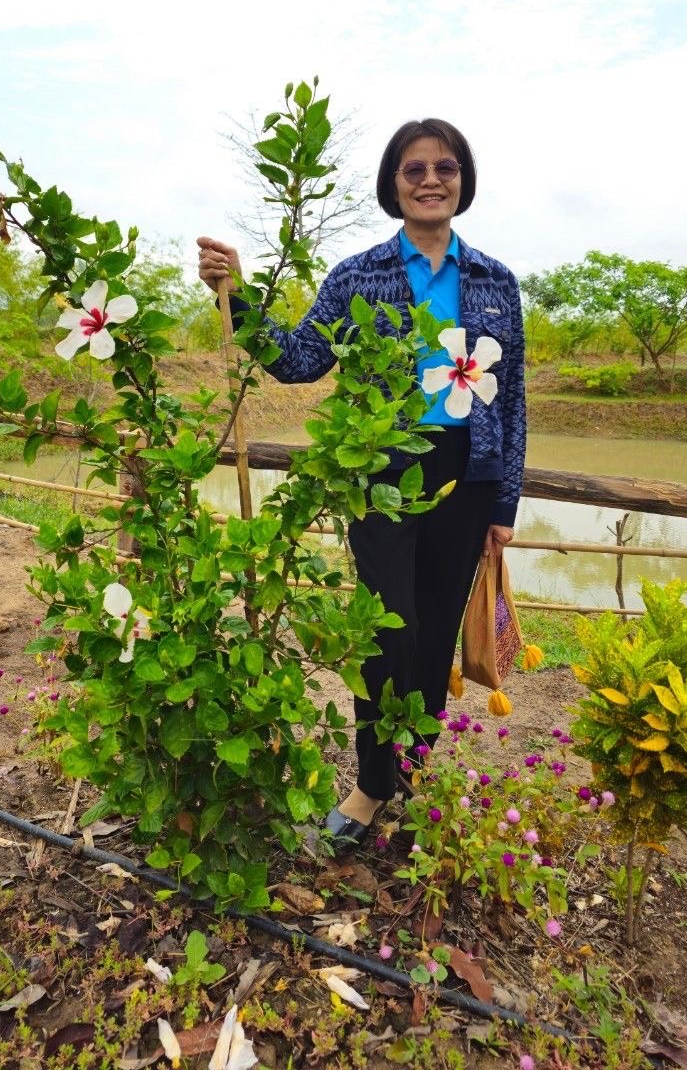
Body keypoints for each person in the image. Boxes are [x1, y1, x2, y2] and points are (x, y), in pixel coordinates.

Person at [197, 118, 526, 847]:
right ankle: (371, 785)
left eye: (445, 167)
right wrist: (239, 296)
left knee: (435, 634)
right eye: (414, 170)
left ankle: (413, 775)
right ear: (393, 185)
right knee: (386, 632)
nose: (431, 180)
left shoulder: (496, 282)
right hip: (380, 470)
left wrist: (504, 500)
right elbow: (298, 359)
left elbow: (514, 398)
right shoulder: (358, 275)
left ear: (463, 181)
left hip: (466, 474)